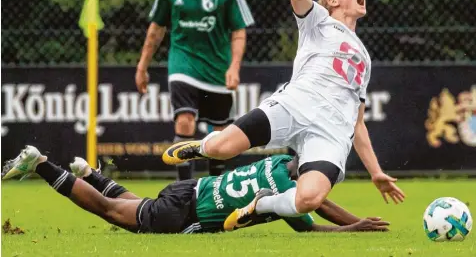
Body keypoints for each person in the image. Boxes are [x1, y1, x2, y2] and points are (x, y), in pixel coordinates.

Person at [163, 0, 406, 230]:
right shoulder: (319, 21)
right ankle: (201, 147)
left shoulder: (365, 56)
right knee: (222, 149)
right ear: (332, 1)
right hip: (295, 104)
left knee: (309, 199)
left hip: (331, 132)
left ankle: (262, 204)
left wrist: (375, 172)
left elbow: (358, 121)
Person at [2, 146, 389, 234]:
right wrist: (354, 228)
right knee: (108, 210)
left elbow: (320, 201)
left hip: (189, 189)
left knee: (137, 206)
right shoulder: (291, 194)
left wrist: (358, 222)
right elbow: (315, 219)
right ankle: (40, 163)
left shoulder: (277, 163)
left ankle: (88, 172)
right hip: (186, 215)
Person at [135, 0, 254, 181]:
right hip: (183, 63)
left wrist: (234, 67)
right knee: (185, 120)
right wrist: (142, 66)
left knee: (221, 133)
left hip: (217, 68)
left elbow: (239, 32)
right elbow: (156, 29)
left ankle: (213, 186)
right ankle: (185, 187)